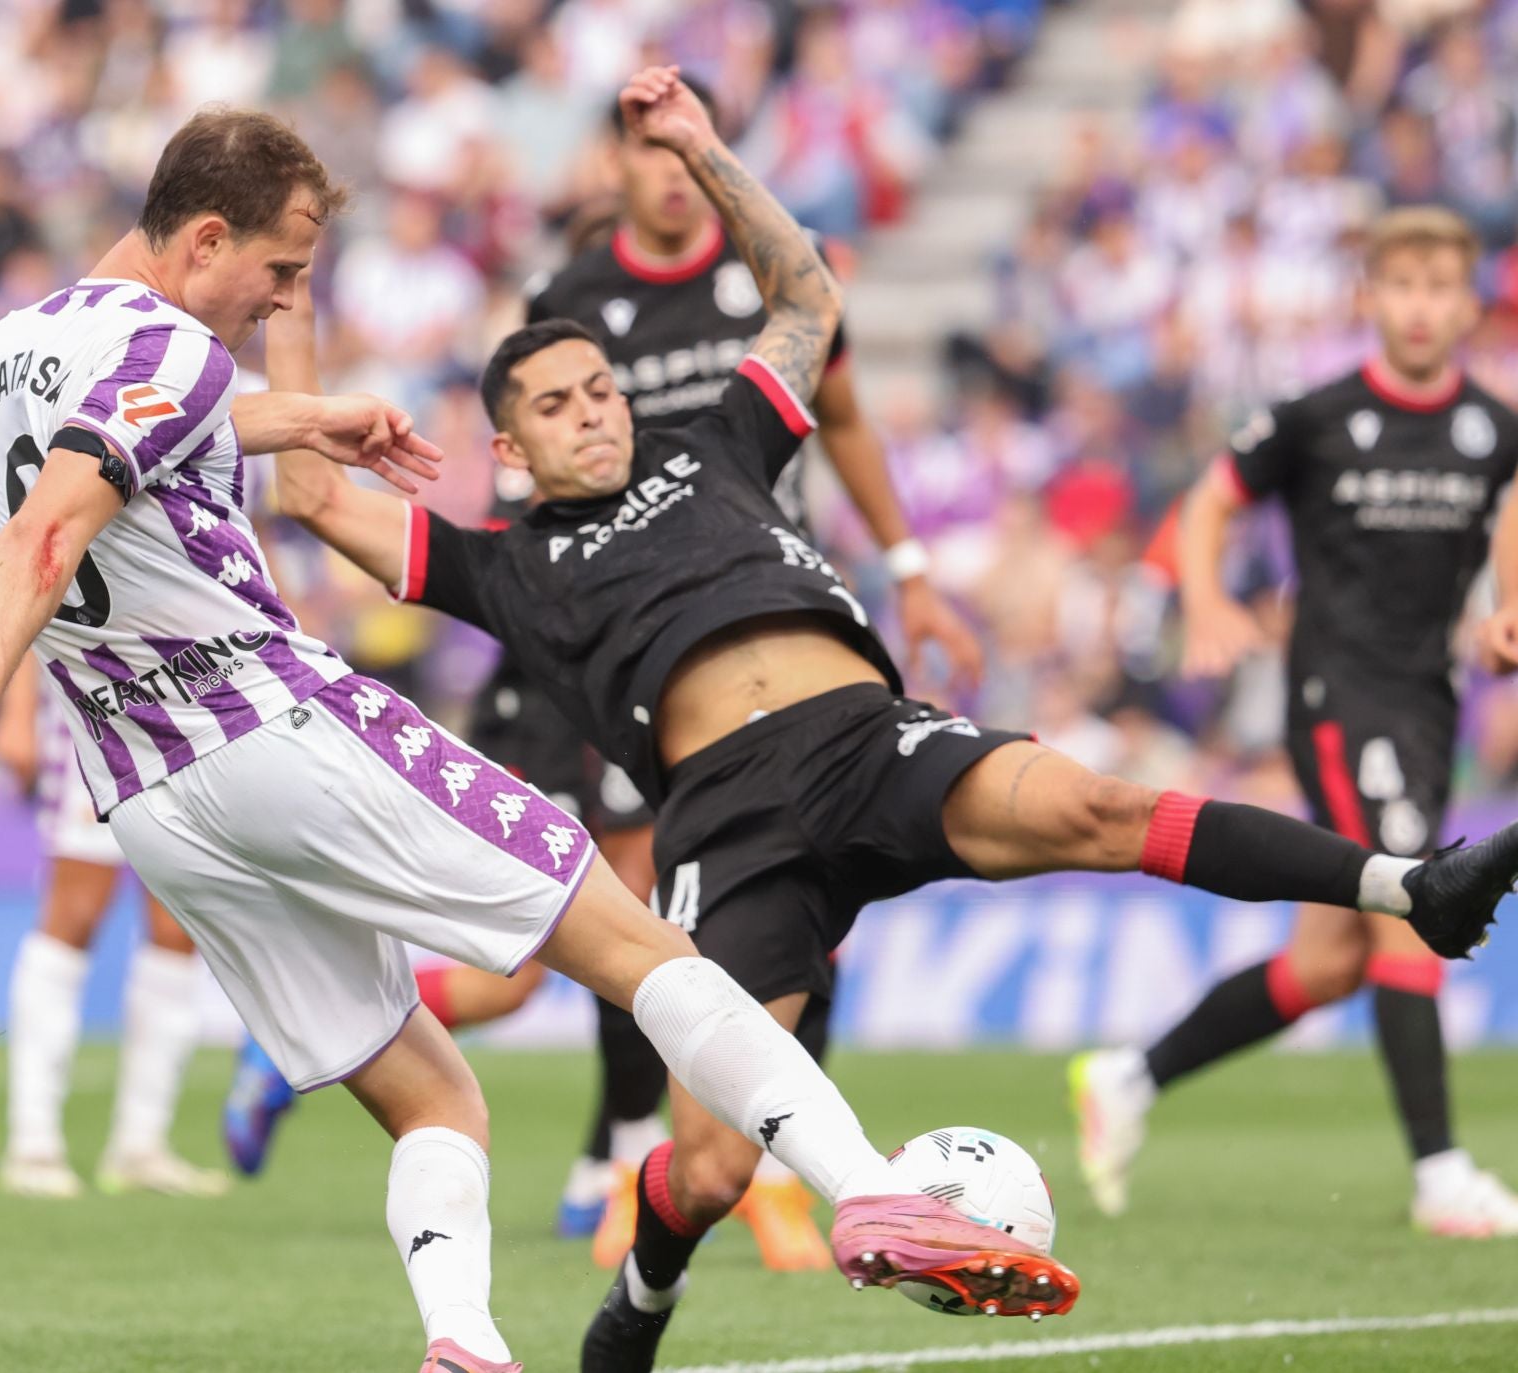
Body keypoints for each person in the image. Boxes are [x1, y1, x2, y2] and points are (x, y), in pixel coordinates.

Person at [275, 71, 1512, 1372]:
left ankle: (1411, 887)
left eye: (601, 388)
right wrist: (295, 307)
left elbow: (809, 295)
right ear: (511, 450)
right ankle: (639, 1300)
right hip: (730, 820)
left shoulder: (716, 443)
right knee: (704, 1166)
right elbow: (306, 488)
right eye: (557, 404)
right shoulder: (499, 564)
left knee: (1096, 806)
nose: (595, 409)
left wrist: (705, 153)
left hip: (872, 740)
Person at [0, 96, 1083, 1373]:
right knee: (636, 938)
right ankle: (868, 1183)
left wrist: (299, 420)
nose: (279, 305)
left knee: (432, 1094)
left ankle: (465, 1345)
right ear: (204, 239)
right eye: (279, 273)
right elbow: (57, 526)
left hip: (156, 801)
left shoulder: (5, 355)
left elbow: (111, 450)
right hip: (275, 725)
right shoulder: (175, 348)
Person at [513, 75, 985, 1268]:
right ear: (614, 161)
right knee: (637, 898)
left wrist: (913, 563)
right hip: (644, 652)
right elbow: (526, 475)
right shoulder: (571, 302)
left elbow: (845, 413)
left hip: (788, 618)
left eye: (683, 149)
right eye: (642, 149)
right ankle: (628, 1142)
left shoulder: (761, 274)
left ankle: (762, 1157)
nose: (667, 169)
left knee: (807, 903)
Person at [1072, 206, 1518, 1238]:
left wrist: (1503, 608)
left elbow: (1510, 516)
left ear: (1466, 303)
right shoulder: (1317, 414)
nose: (1417, 305)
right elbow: (1212, 500)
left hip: (1424, 698)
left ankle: (1131, 1075)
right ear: (1371, 297)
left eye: (1437, 287)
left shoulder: (1492, 427)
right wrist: (1210, 597)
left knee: (1330, 959)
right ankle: (1441, 1170)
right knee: (1414, 895)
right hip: (1339, 692)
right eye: (1399, 285)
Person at [0, 660, 231, 1198]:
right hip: (89, 696)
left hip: (187, 704)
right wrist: (17, 712)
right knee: (74, 913)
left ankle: (141, 1146)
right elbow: (34, 579)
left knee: (177, 925)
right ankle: (33, 1145)